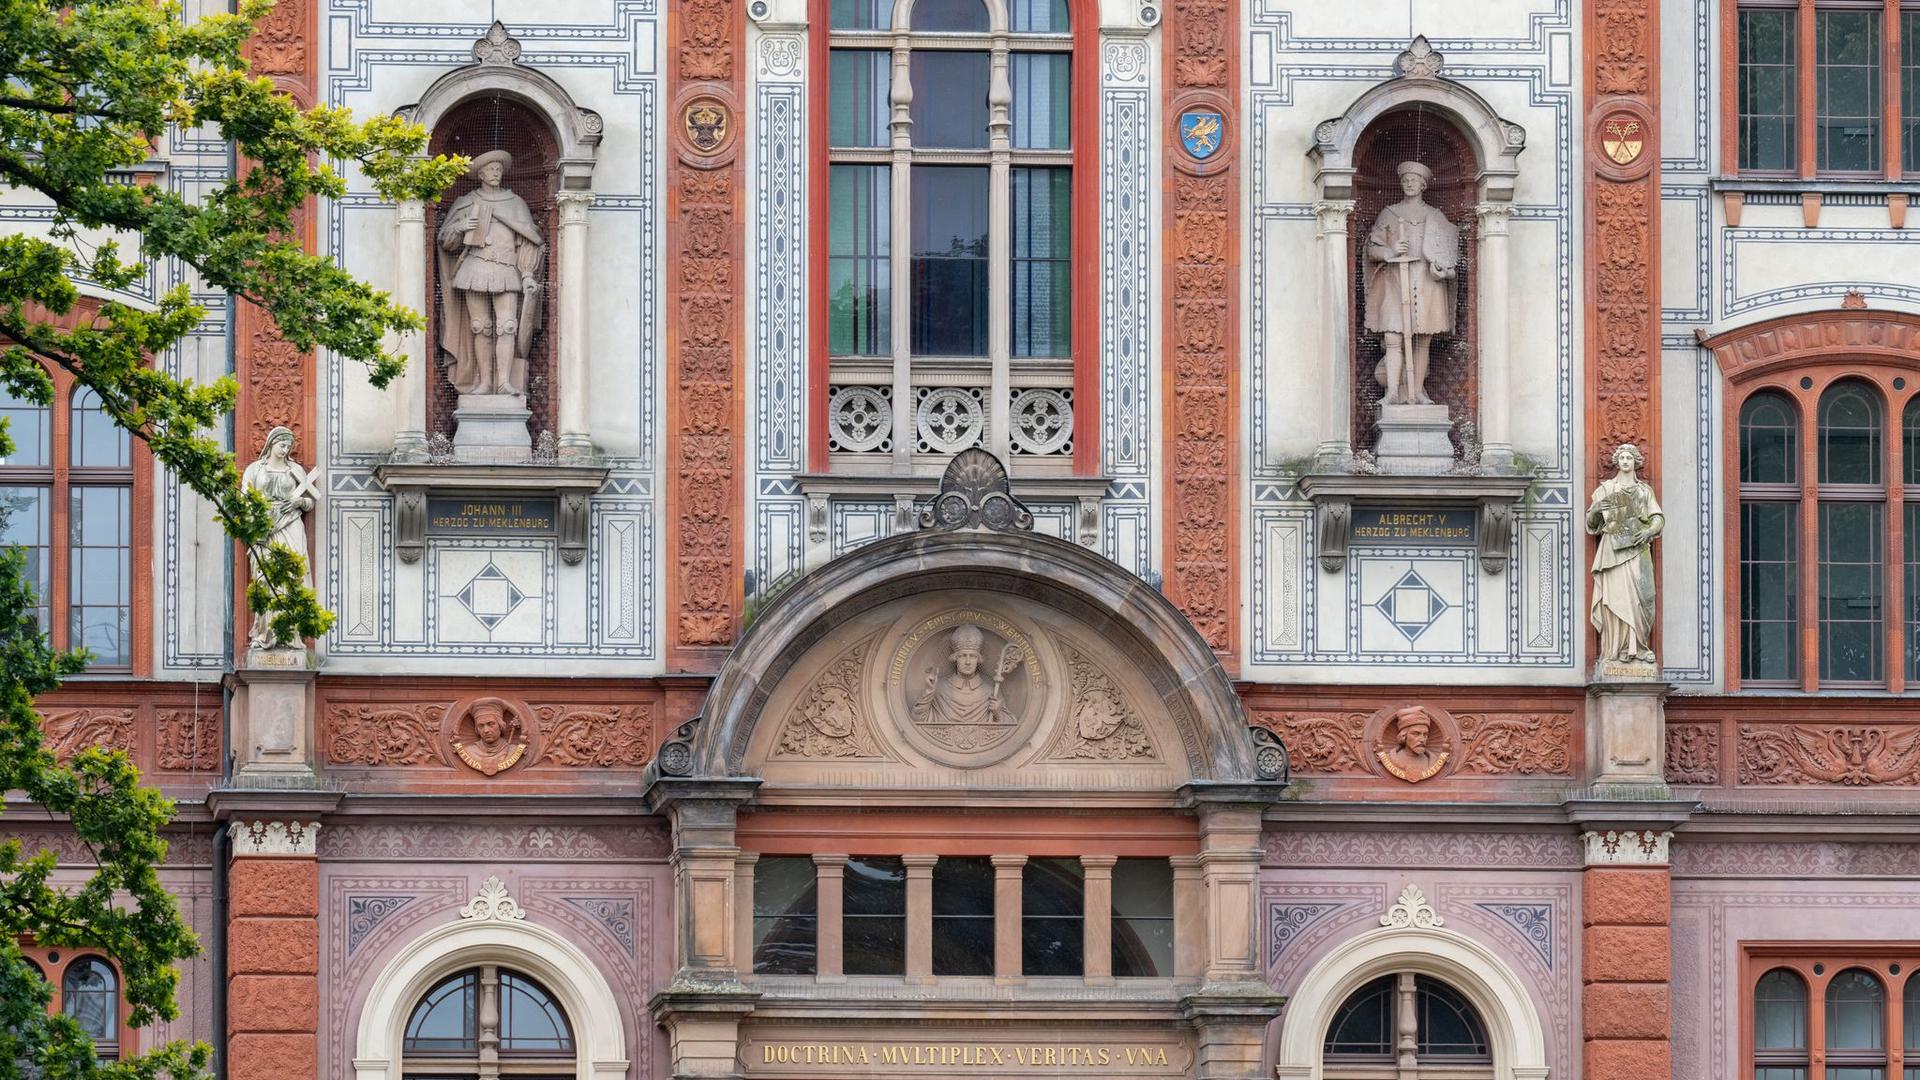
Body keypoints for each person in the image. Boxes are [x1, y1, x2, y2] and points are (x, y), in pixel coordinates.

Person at [436, 149, 545, 397]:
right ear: (480, 174)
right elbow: (445, 242)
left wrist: (527, 273)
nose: (496, 173)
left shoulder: (516, 203)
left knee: (507, 326)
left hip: (507, 268)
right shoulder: (466, 203)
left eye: (499, 169)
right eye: (490, 170)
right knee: (480, 326)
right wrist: (461, 227)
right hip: (475, 267)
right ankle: (484, 382)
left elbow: (529, 240)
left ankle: (505, 382)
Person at [1364, 160, 1459, 406]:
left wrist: (1442, 269)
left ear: (1423, 185)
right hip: (1396, 281)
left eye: (1414, 180)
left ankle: (1417, 392)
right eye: (1405, 180)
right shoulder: (1390, 213)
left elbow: (1447, 252)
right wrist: (1390, 250)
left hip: (1427, 283)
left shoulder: (1435, 216)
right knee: (1393, 338)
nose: (1409, 183)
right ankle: (1393, 393)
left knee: (1422, 339)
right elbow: (1372, 248)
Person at [1587, 442, 1664, 665]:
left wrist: (1649, 530)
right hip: (1613, 552)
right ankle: (1616, 650)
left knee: (1644, 598)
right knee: (1616, 597)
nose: (1625, 461)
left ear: (1635, 462)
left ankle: (1639, 646)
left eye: (1629, 458)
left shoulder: (1644, 491)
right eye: (1621, 458)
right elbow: (1592, 523)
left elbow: (1658, 517)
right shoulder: (1606, 490)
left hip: (1638, 549)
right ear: (1616, 462)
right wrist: (1598, 508)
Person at [242, 426, 316, 650]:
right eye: (281, 445)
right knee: (265, 580)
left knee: (293, 575)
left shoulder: (295, 471)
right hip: (265, 527)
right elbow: (245, 498)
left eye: (288, 447)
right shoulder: (255, 469)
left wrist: (298, 502)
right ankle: (265, 633)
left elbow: (309, 500)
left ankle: (291, 635)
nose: (284, 450)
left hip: (291, 524)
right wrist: (259, 518)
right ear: (271, 444)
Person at [911, 624, 1017, 727]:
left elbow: (1011, 724)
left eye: (973, 656)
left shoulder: (990, 691)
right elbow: (918, 720)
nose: (968, 662)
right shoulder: (940, 688)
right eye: (962, 656)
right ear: (955, 659)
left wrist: (997, 713)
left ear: (978, 659)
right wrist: (929, 692)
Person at [1376, 705, 1448, 782]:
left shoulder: (1432, 761)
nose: (1422, 739)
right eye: (1416, 734)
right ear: (1404, 736)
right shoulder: (1391, 758)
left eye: (1425, 734)